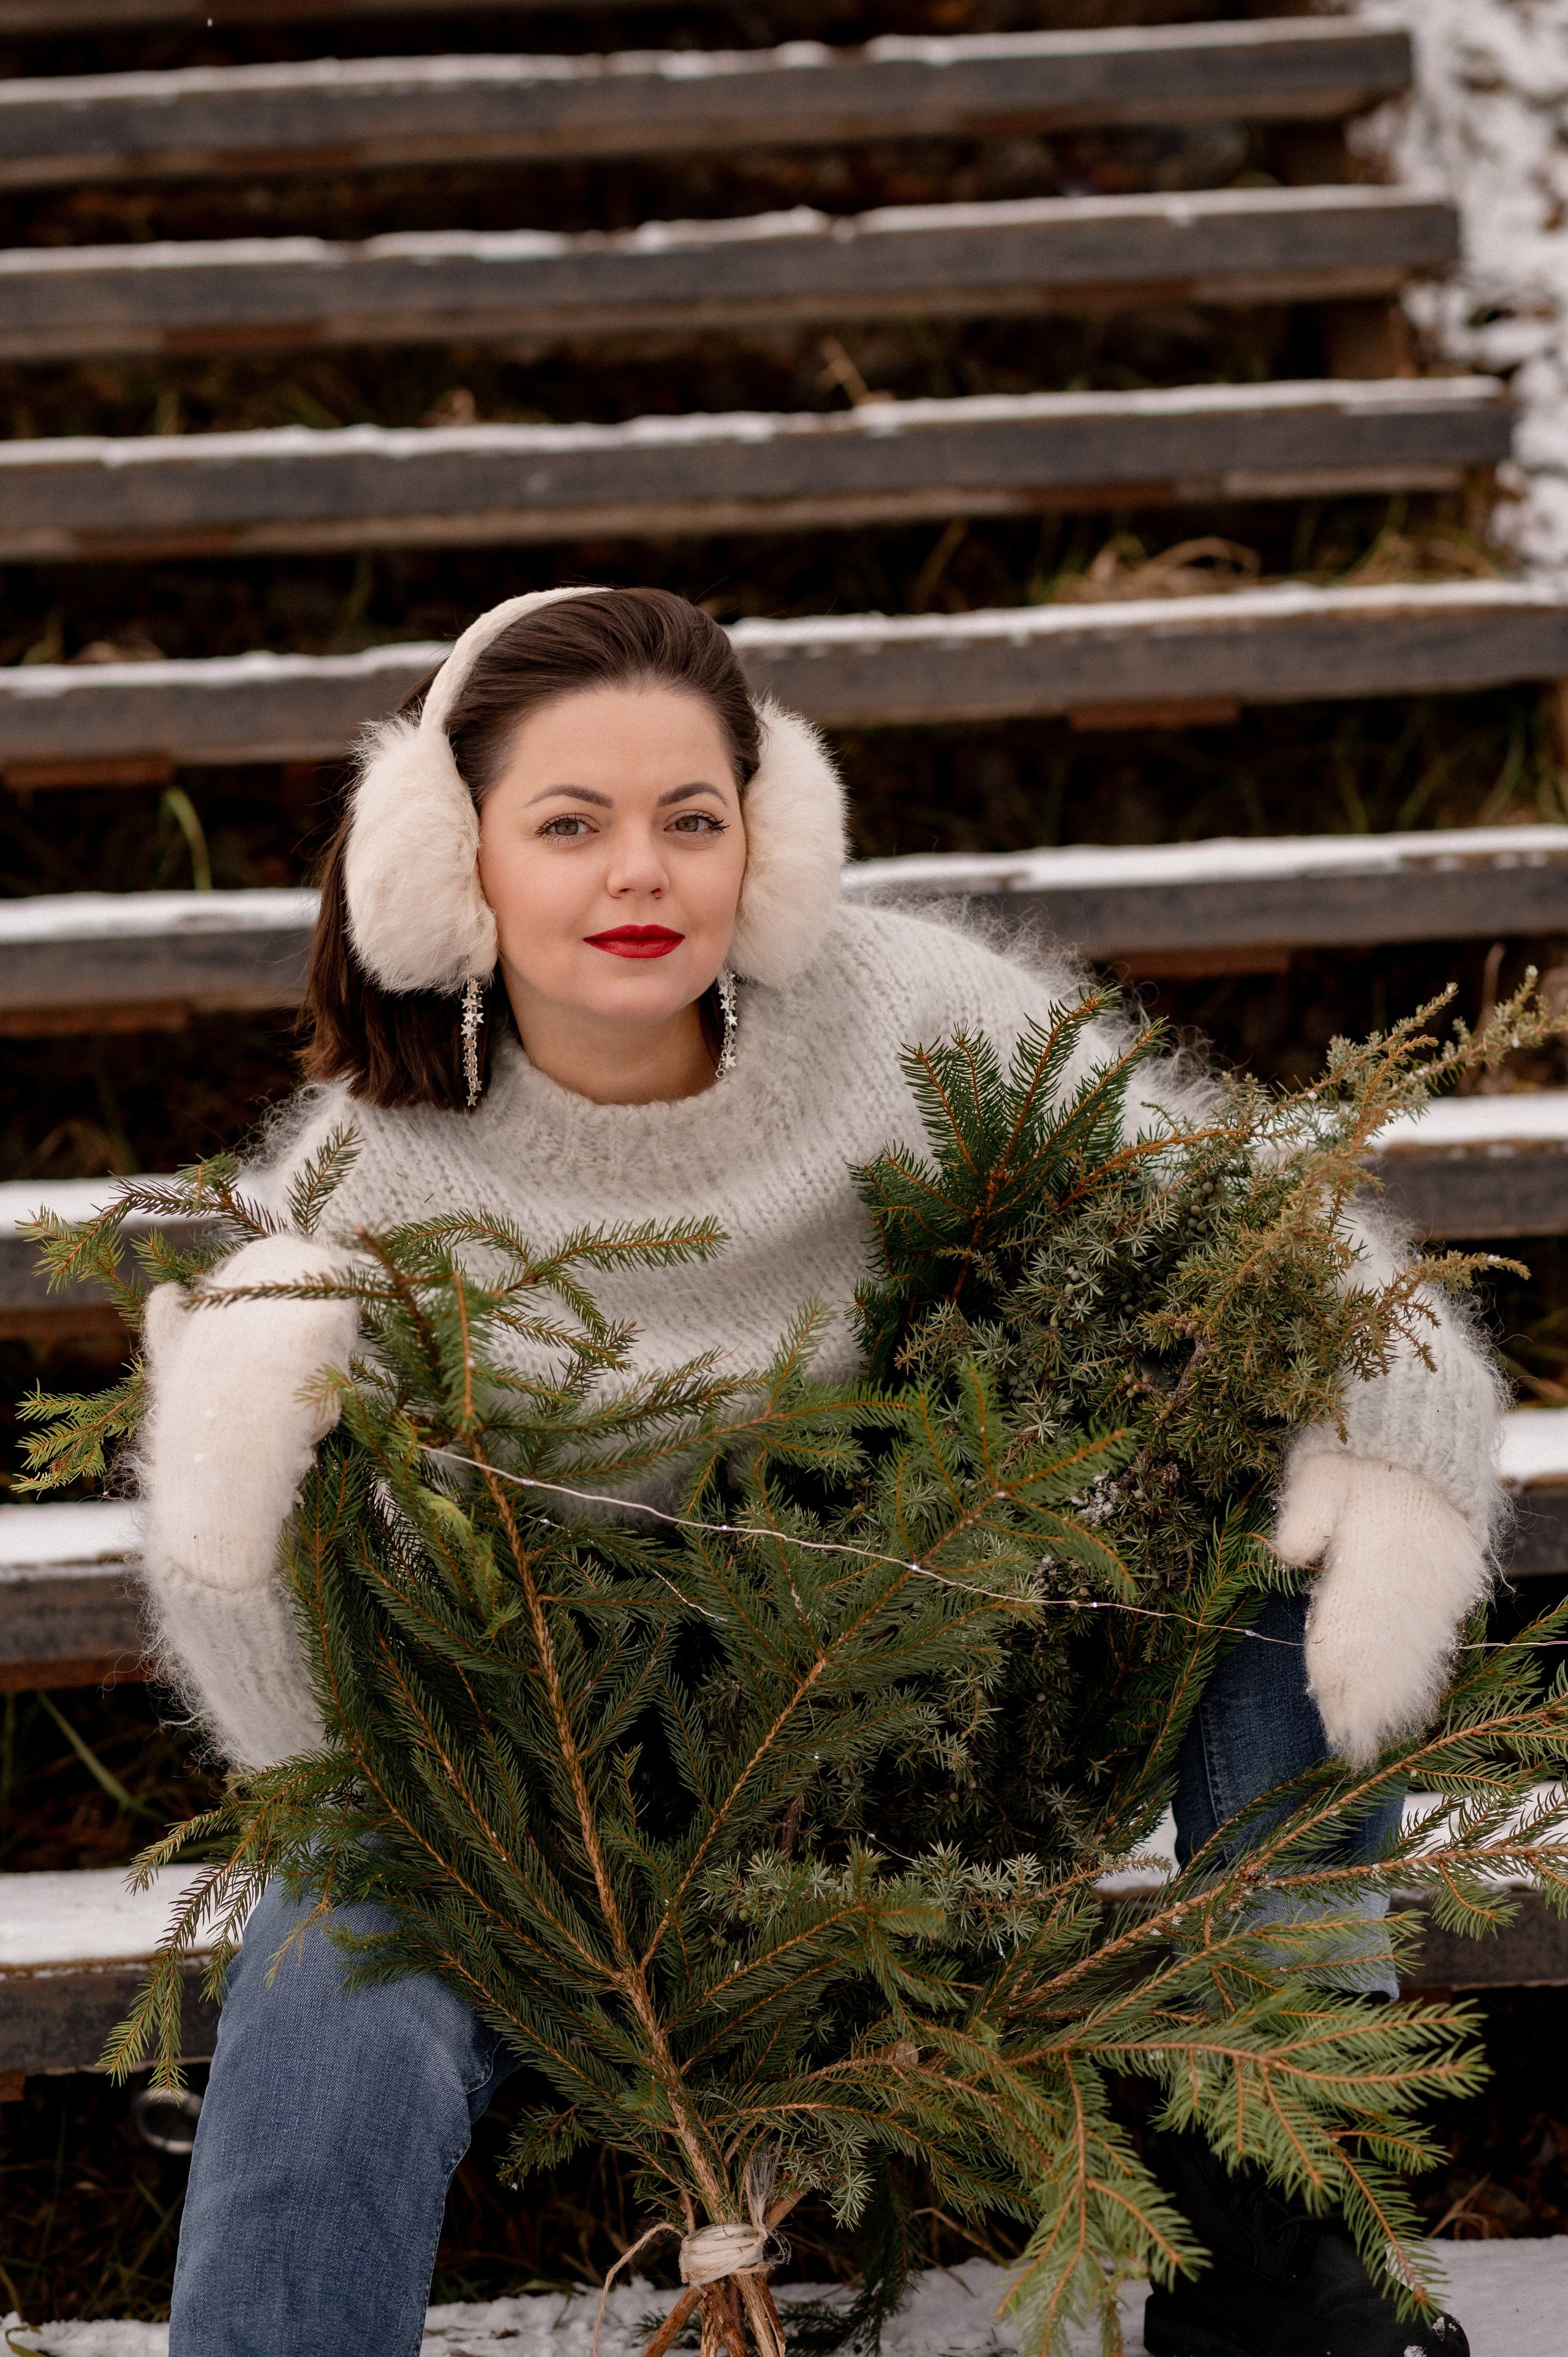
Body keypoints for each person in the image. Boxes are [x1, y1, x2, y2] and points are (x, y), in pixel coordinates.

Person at [138, 587, 1496, 2357]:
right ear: (441, 857)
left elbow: (1285, 1257)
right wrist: (236, 1533)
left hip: (954, 1741)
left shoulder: (911, 1016)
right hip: (582, 1832)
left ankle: (1281, 2220)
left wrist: (1398, 1463)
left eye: (691, 820)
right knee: (338, 1941)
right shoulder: (360, 1200)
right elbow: (322, 1750)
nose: (642, 874)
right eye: (569, 824)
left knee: (1297, 1472)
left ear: (767, 845)